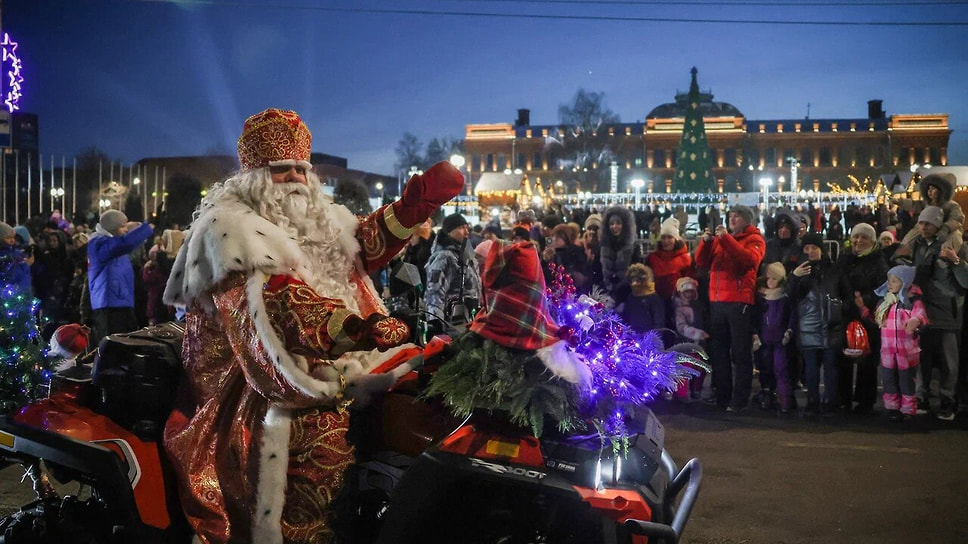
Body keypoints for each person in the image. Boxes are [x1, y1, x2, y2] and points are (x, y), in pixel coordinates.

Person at [162, 108, 463, 544]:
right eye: (281, 170)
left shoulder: (318, 219)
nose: (296, 180)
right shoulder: (228, 233)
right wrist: (356, 328)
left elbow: (358, 247)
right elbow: (276, 307)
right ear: (253, 176)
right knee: (320, 439)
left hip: (330, 363)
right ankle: (307, 531)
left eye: (301, 169)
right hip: (251, 387)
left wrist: (416, 204)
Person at [695, 205, 765, 411]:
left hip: (738, 302)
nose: (733, 219)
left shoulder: (754, 240)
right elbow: (701, 261)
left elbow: (748, 261)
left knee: (740, 353)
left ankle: (740, 398)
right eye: (731, 216)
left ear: (747, 220)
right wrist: (706, 243)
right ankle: (723, 396)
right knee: (719, 352)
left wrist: (726, 239)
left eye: (737, 216)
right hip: (717, 301)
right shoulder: (721, 240)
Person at [906, 206, 968, 421]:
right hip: (923, 310)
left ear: (938, 225)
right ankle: (922, 397)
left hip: (948, 311)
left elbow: (965, 281)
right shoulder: (918, 245)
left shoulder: (956, 244)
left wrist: (956, 261)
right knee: (921, 357)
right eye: (921, 223)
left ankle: (947, 400)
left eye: (928, 224)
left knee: (949, 361)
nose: (923, 227)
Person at [789, 233, 848, 416]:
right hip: (808, 327)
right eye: (806, 248)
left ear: (821, 250)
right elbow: (790, 298)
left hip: (832, 327)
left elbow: (846, 294)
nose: (810, 252)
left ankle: (830, 402)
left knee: (831, 367)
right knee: (811, 368)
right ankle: (812, 401)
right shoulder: (799, 270)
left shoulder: (834, 269)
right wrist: (794, 277)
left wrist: (841, 311)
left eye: (814, 248)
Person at [838, 223, 888, 415]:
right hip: (847, 313)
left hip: (869, 316)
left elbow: (883, 288)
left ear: (872, 241)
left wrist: (864, 301)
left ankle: (865, 401)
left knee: (867, 359)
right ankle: (843, 398)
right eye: (856, 237)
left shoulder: (879, 261)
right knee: (845, 356)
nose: (859, 241)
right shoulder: (845, 259)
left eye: (864, 238)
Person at [87, 210, 154, 346]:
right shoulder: (99, 243)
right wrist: (144, 228)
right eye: (123, 227)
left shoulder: (111, 243)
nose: (126, 230)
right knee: (113, 348)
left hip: (122, 303)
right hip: (109, 306)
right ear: (113, 227)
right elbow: (125, 244)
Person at [873, 265, 927, 422]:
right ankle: (892, 407)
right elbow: (875, 318)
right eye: (889, 280)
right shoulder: (884, 302)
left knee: (906, 380)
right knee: (888, 379)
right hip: (888, 350)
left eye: (895, 281)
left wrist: (915, 321)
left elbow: (921, 316)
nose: (890, 284)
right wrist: (862, 308)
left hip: (906, 350)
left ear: (905, 282)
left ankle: (908, 408)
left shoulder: (912, 301)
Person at [425, 212, 482, 328]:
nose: (466, 232)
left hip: (468, 319)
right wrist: (436, 325)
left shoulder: (465, 254)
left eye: (467, 227)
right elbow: (434, 294)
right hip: (452, 323)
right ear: (449, 231)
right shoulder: (444, 257)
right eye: (461, 228)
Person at [752, 262, 795, 412]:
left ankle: (784, 399)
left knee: (780, 368)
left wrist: (789, 331)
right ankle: (767, 395)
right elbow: (756, 317)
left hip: (779, 341)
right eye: (768, 277)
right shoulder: (761, 296)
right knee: (765, 368)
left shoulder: (784, 298)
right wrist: (755, 333)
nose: (770, 281)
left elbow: (791, 316)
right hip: (764, 340)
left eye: (774, 279)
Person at [897, 172, 964, 256]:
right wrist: (901, 202)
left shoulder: (951, 205)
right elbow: (915, 205)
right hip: (927, 226)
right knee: (913, 234)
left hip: (945, 228)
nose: (930, 191)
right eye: (929, 189)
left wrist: (946, 227)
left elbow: (957, 218)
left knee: (954, 236)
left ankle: (945, 256)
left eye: (933, 189)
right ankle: (904, 253)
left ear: (942, 191)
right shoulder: (927, 203)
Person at [645, 217, 694, 326]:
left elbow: (690, 281)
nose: (666, 241)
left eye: (669, 237)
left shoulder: (685, 259)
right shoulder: (653, 258)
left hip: (679, 304)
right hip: (656, 301)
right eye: (663, 237)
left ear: (676, 239)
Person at [673, 276, 709, 401]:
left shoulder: (699, 306)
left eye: (691, 292)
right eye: (686, 292)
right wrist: (697, 333)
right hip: (684, 343)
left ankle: (696, 389)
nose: (689, 295)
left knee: (699, 367)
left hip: (698, 344)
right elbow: (681, 327)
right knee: (683, 367)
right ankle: (680, 393)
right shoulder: (679, 309)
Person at [600, 205, 642, 301]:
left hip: (627, 296)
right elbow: (597, 272)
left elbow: (636, 273)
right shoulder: (603, 246)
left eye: (618, 223)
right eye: (611, 223)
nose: (614, 226)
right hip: (606, 296)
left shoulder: (633, 247)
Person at [617, 264, 665, 335]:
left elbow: (658, 321)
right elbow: (626, 317)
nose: (634, 283)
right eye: (632, 280)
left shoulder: (653, 298)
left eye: (637, 280)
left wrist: (655, 338)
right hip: (632, 336)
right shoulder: (631, 297)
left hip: (648, 338)